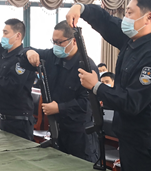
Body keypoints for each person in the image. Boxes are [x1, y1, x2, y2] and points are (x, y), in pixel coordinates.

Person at [66, 0, 151, 171]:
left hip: (147, 144)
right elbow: (106, 21)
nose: (126, 18)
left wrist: (97, 86)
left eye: (130, 13)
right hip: (128, 136)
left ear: (149, 17)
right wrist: (82, 8)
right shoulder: (133, 40)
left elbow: (132, 102)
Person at [22, 20, 99, 162]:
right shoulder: (52, 56)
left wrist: (59, 108)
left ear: (74, 41)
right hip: (57, 130)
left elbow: (87, 104)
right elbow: (24, 51)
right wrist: (29, 52)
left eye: (60, 42)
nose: (56, 46)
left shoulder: (87, 67)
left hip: (80, 135)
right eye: (54, 41)